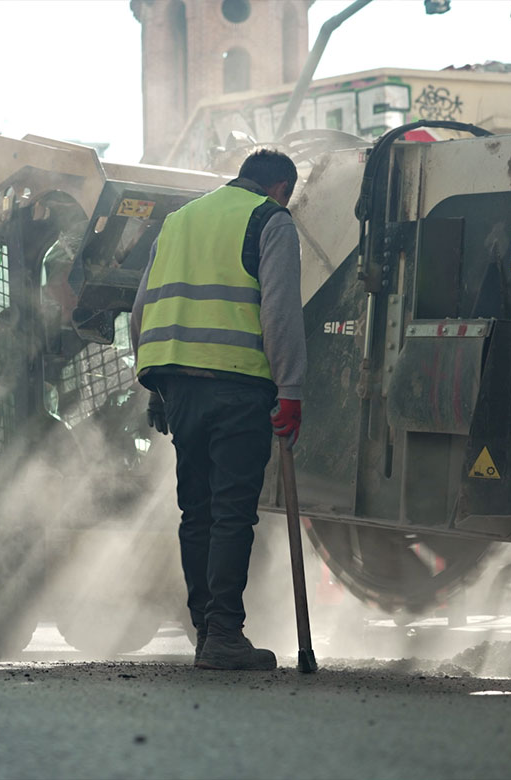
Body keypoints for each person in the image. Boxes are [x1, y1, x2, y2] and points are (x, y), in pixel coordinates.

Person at [130, 149, 306, 671]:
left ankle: (206, 630)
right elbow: (279, 311)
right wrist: (291, 389)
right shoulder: (271, 220)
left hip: (178, 385)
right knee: (232, 510)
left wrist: (156, 388)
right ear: (280, 188)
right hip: (238, 385)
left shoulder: (179, 220)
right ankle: (225, 633)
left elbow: (141, 312)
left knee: (198, 511)